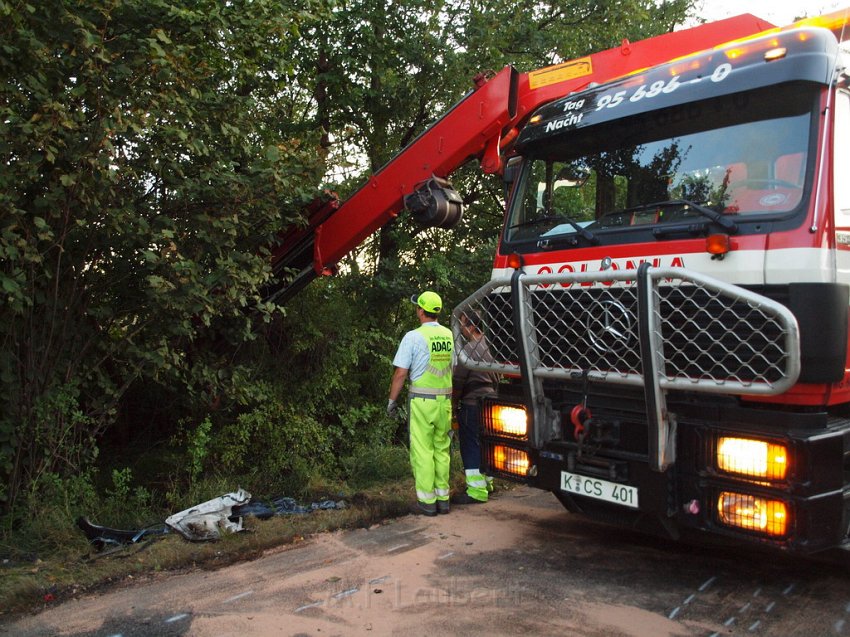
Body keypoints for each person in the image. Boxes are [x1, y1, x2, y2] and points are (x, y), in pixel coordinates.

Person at [387, 291, 454, 516]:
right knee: (442, 449)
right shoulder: (448, 335)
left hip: (423, 403)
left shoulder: (413, 337)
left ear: (420, 311)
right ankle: (443, 499)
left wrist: (391, 401)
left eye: (417, 306)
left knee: (423, 450)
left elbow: (400, 373)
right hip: (445, 402)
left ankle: (427, 502)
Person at [451, 309, 498, 504]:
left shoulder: (468, 350)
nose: (461, 329)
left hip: (472, 403)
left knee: (471, 444)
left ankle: (476, 492)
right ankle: (488, 482)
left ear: (470, 325)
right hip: (492, 401)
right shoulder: (494, 346)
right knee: (488, 443)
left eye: (462, 324)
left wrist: (453, 405)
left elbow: (459, 381)